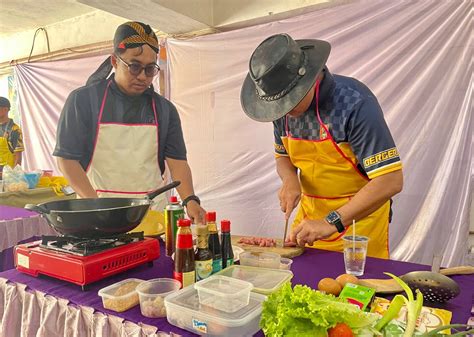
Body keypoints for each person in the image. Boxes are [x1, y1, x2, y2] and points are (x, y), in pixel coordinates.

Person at [240, 34, 403, 258]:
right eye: (278, 105)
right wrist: (290, 180)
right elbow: (283, 156)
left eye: (290, 101)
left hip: (359, 227)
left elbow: (390, 180)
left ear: (309, 79)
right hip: (308, 225)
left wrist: (330, 222)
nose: (284, 111)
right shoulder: (281, 109)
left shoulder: (353, 103)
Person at [53, 21, 206, 224]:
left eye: (150, 69)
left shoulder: (164, 110)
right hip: (98, 212)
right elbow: (67, 159)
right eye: (134, 67)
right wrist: (95, 206)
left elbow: (177, 162)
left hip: (151, 215)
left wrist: (190, 200)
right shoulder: (84, 101)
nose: (143, 77)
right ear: (115, 62)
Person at [0, 96, 23, 177]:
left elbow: (18, 156)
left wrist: (14, 176)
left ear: (5, 109)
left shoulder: (14, 130)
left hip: (7, 175)